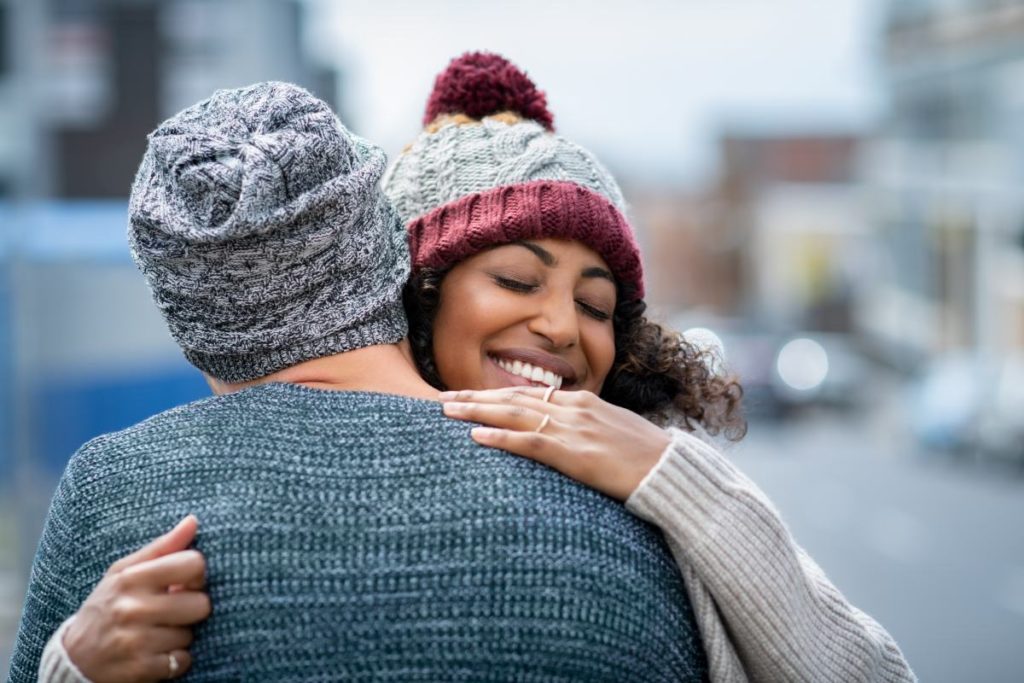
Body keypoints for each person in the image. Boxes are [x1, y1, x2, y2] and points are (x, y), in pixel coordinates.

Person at [36, 55, 918, 683]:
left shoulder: (643, 503)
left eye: (600, 305)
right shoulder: (612, 532)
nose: (561, 326)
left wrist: (676, 476)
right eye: (515, 278)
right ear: (411, 285)